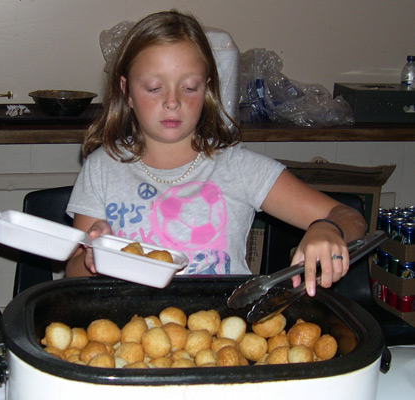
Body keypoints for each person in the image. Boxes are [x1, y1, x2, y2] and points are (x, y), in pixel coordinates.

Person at [65, 9, 366, 296]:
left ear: (207, 89)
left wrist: (328, 228)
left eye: (190, 88)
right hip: (130, 329)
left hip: (223, 334)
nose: (173, 102)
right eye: (154, 88)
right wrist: (96, 255)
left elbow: (349, 216)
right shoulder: (101, 168)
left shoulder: (238, 167)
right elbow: (74, 274)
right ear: (127, 91)